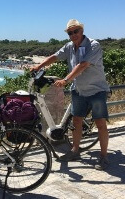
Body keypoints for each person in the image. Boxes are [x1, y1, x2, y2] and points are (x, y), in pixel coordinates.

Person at [30, 19, 110, 170]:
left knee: (100, 123)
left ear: (81, 31)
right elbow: (55, 56)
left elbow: (83, 64)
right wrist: (38, 66)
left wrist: (66, 80)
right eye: (70, 32)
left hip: (96, 90)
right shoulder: (69, 47)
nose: (73, 34)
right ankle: (75, 150)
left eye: (76, 31)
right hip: (79, 90)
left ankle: (104, 156)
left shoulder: (93, 45)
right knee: (76, 122)